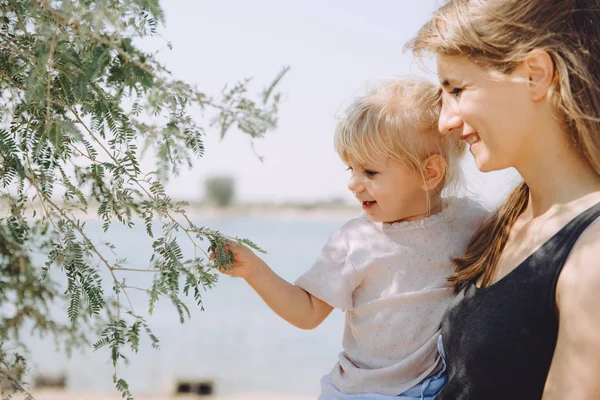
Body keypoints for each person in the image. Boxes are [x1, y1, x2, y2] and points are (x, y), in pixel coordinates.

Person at [213, 76, 488, 399]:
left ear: (430, 173)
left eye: (370, 172)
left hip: (433, 388)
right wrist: (254, 271)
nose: (354, 184)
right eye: (351, 170)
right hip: (359, 392)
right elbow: (308, 312)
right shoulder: (354, 241)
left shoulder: (472, 223)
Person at [406, 0, 600, 398]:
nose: (445, 122)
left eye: (457, 89)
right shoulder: (505, 222)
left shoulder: (591, 253)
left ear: (535, 76)